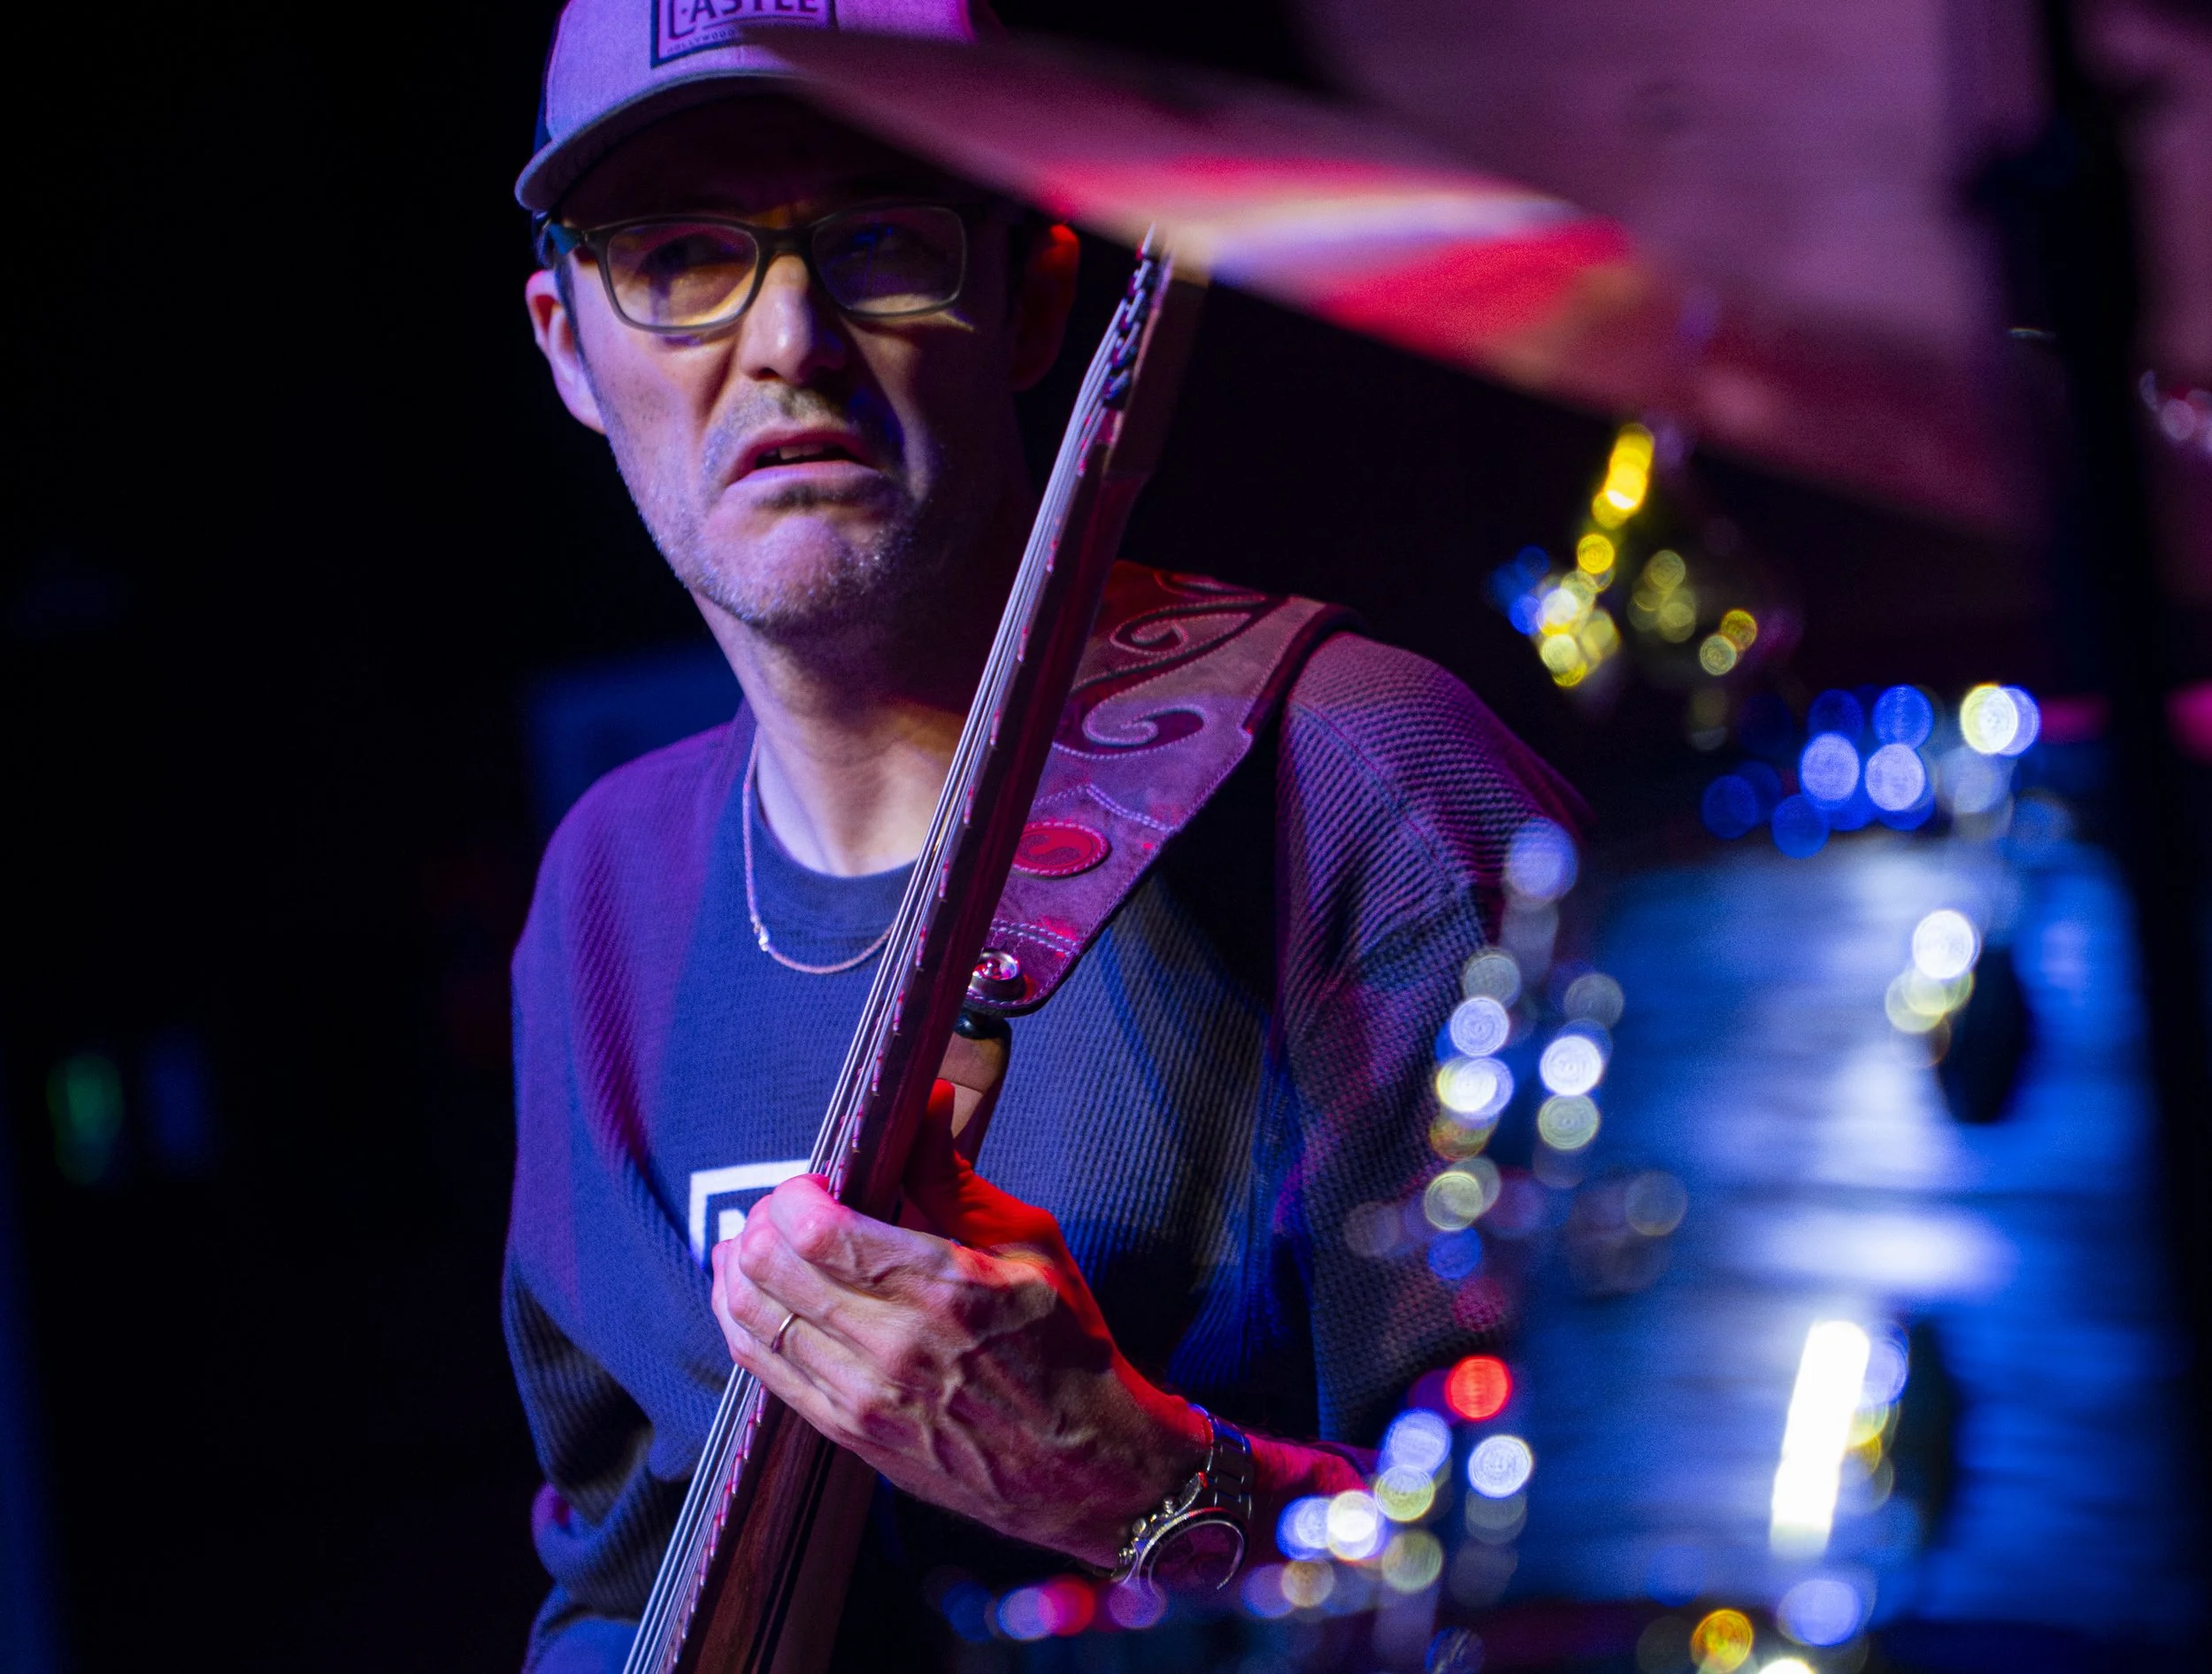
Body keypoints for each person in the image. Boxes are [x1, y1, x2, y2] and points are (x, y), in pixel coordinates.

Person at [503, 3, 1581, 1669]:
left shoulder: (1360, 780)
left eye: (876, 239)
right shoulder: (607, 897)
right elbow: (612, 1596)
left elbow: (1612, 1582)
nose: (788, 335)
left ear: (1038, 298)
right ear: (570, 344)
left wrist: (1137, 1484)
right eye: (682, 255)